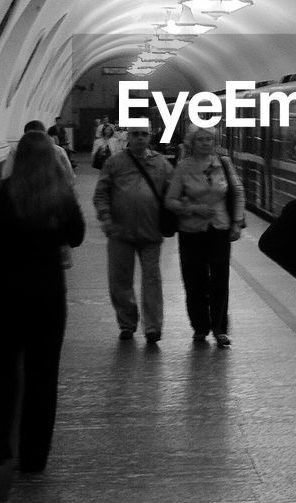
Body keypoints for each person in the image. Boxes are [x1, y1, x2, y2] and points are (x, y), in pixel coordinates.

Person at [0, 129, 85, 477]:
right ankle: (34, 457)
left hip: (5, 294)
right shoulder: (61, 195)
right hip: (47, 295)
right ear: (51, 159)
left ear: (17, 157)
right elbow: (77, 236)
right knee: (42, 375)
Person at [165, 125, 245, 347]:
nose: (205, 143)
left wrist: (237, 223)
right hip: (191, 231)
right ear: (191, 142)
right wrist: (193, 209)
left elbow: (237, 192)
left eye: (209, 140)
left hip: (219, 228)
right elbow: (169, 200)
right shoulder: (183, 167)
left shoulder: (224, 163)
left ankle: (220, 328)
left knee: (220, 280)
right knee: (194, 280)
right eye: (200, 139)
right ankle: (200, 327)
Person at [93, 120, 172, 342]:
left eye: (143, 134)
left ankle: (153, 327)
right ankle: (127, 322)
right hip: (120, 232)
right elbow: (101, 193)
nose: (139, 138)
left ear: (150, 137)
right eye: (135, 134)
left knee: (152, 281)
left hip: (150, 232)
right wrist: (106, 218)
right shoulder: (115, 163)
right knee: (120, 280)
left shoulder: (161, 163)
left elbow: (174, 190)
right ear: (128, 137)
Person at [2, 119, 75, 183]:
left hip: (23, 191)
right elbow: (69, 177)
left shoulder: (16, 151)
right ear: (45, 133)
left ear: (25, 134)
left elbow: (6, 174)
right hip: (51, 191)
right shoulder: (58, 151)